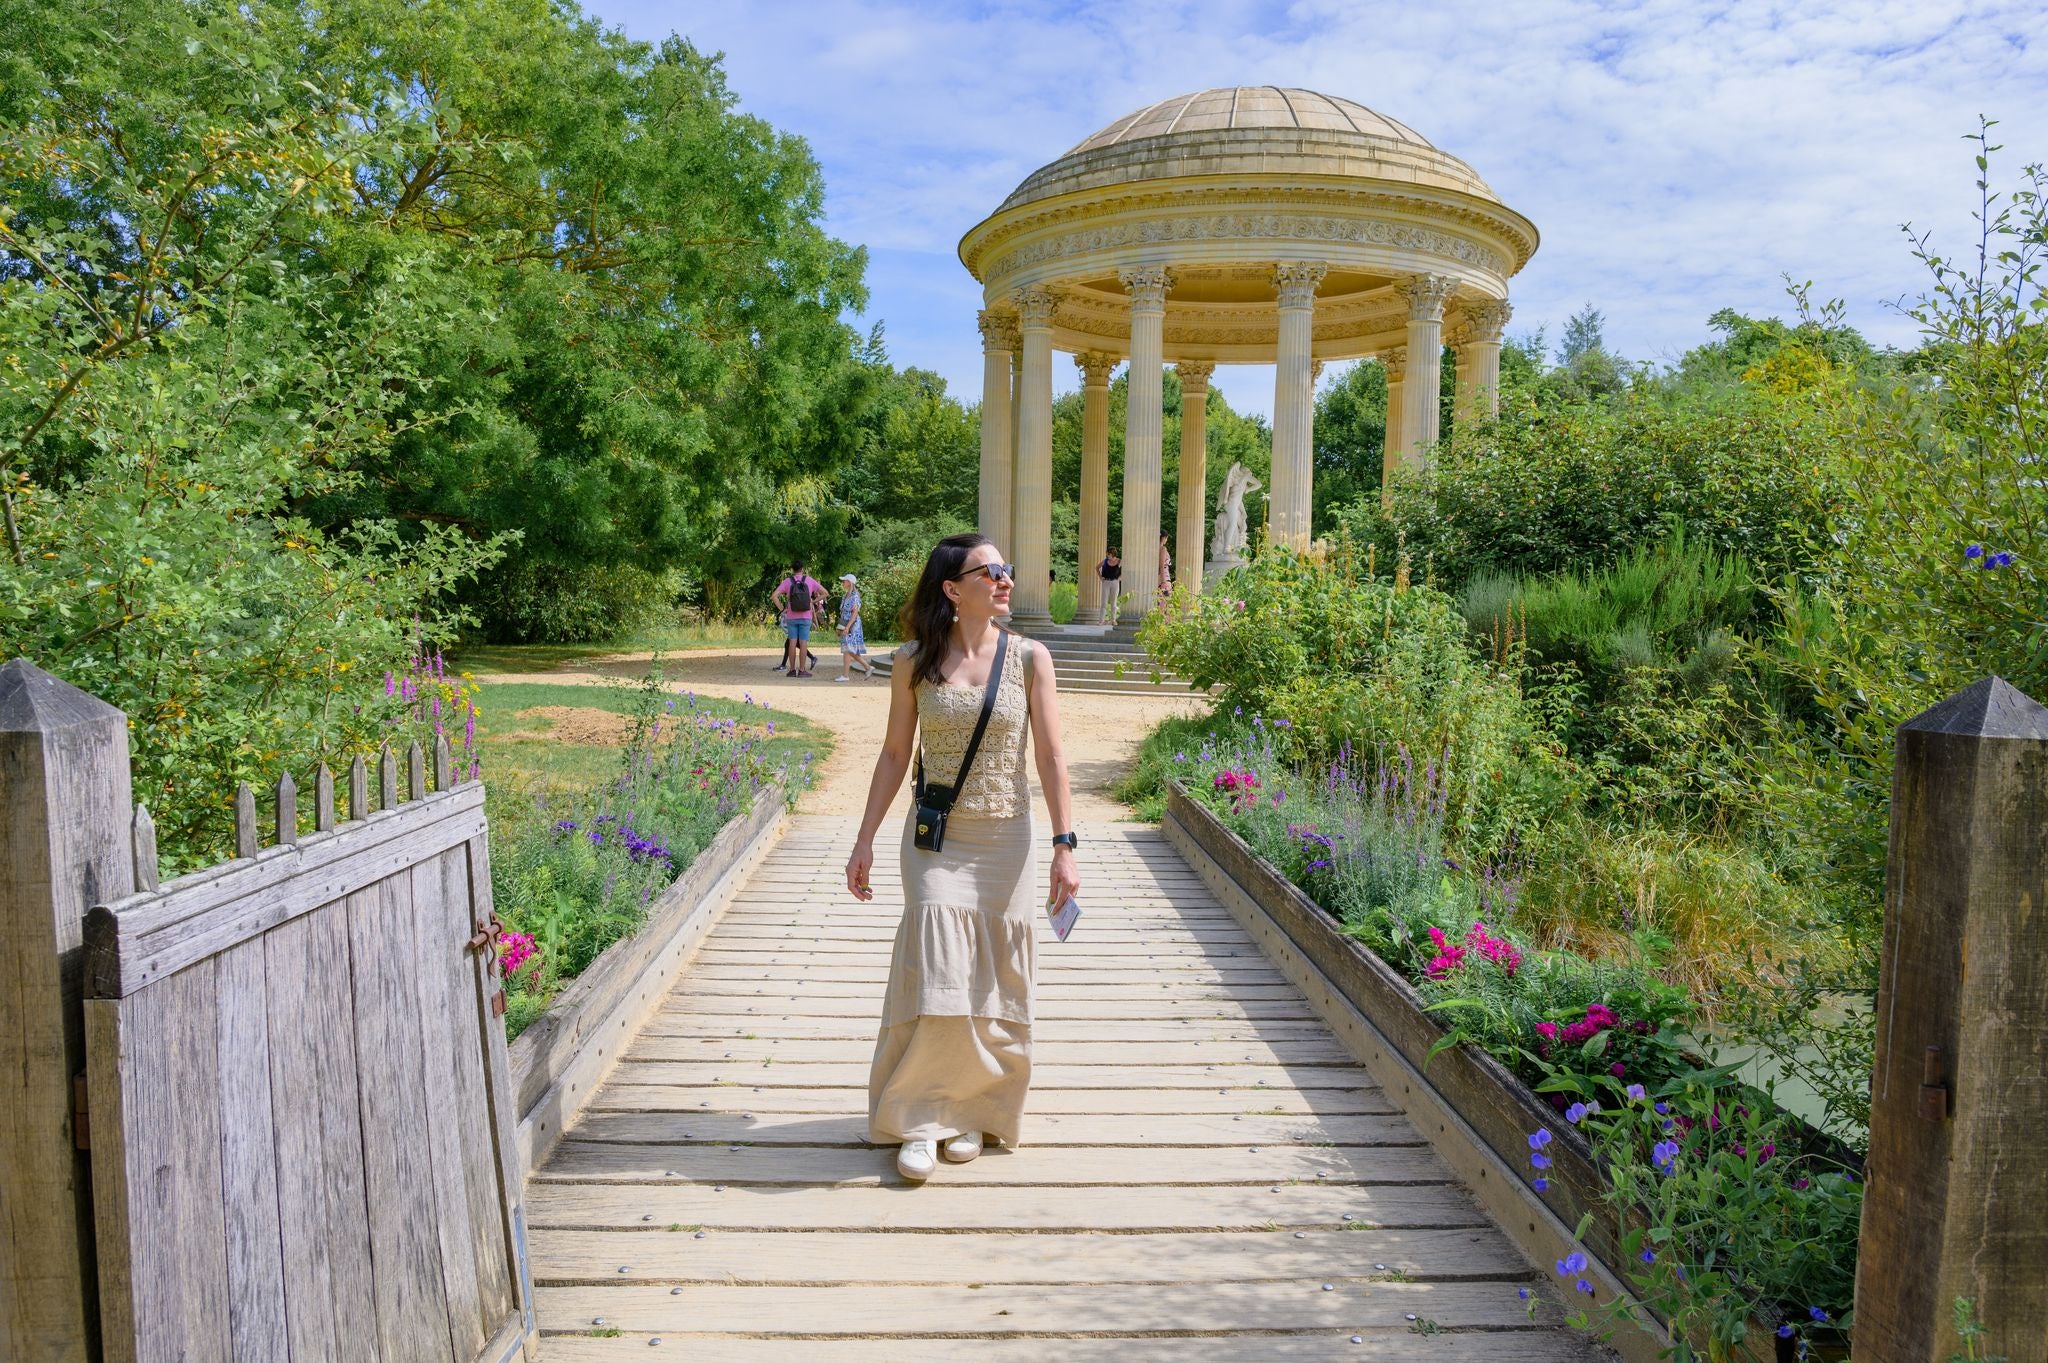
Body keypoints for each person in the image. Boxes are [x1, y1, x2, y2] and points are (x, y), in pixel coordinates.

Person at [845, 534, 1079, 1182]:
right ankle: (919, 1116)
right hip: (937, 841)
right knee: (941, 969)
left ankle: (972, 1110)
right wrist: (863, 838)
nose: (1006, 579)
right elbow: (895, 753)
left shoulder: (1031, 658)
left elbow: (1052, 757)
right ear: (953, 587)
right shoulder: (912, 661)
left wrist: (1065, 846)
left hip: (1007, 839)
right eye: (991, 571)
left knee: (989, 983)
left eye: (1008, 568)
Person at [773, 562, 825, 677]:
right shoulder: (809, 580)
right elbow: (825, 593)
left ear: (792, 569)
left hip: (792, 616)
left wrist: (782, 609)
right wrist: (813, 601)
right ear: (802, 569)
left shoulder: (787, 581)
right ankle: (802, 670)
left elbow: (774, 596)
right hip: (806, 617)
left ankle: (791, 670)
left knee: (792, 642)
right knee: (803, 643)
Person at [834, 571, 874, 681]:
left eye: (845, 581)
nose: (843, 582)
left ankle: (846, 676)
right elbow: (843, 613)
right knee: (849, 649)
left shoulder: (854, 596)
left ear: (850, 582)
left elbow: (854, 613)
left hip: (853, 624)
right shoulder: (846, 595)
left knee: (848, 649)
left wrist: (847, 627)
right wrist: (841, 627)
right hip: (846, 623)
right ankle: (867, 667)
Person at [1097, 547, 1123, 626]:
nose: (1107, 555)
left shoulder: (1119, 561)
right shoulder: (1105, 561)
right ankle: (1101, 621)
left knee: (1113, 602)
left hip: (1115, 582)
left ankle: (1113, 620)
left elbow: (1126, 569)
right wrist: (1100, 577)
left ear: (1112, 554)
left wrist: (1120, 578)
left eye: (1108, 554)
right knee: (1104, 602)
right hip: (1106, 582)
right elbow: (1097, 567)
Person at [1157, 531, 1172, 598]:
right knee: (1166, 601)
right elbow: (1161, 566)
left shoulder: (1154, 549)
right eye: (1166, 538)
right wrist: (1163, 582)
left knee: (1160, 602)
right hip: (1164, 577)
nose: (1166, 540)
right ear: (1163, 538)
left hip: (1158, 577)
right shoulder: (1163, 549)